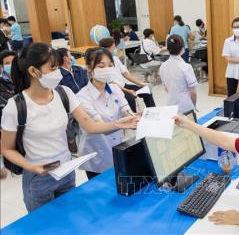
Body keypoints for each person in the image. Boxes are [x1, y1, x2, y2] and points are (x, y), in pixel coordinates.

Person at [0, 42, 138, 212]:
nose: (58, 72)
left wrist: (120, 123)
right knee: (44, 225)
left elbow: (90, 125)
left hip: (66, 172)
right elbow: (6, 148)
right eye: (52, 68)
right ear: (33, 72)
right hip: (38, 178)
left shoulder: (64, 93)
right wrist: (33, 167)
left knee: (69, 219)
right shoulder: (15, 107)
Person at [77, 48, 131, 180]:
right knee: (101, 193)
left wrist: (137, 117)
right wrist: (126, 122)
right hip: (96, 155)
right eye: (101, 66)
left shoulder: (115, 89)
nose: (107, 69)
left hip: (117, 149)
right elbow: (100, 126)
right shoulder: (82, 97)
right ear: (89, 68)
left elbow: (127, 111)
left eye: (110, 65)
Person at [99, 38, 156, 112]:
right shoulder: (101, 64)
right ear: (106, 49)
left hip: (124, 86)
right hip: (114, 90)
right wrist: (128, 91)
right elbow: (111, 84)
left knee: (147, 91)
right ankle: (133, 119)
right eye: (113, 47)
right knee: (130, 98)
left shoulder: (115, 59)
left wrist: (141, 83)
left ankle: (153, 112)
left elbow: (125, 74)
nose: (115, 49)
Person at [160, 35, 197, 113]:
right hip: (185, 107)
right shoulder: (186, 67)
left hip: (170, 106)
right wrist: (194, 105)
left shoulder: (162, 66)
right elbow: (193, 93)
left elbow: (167, 89)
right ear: (182, 48)